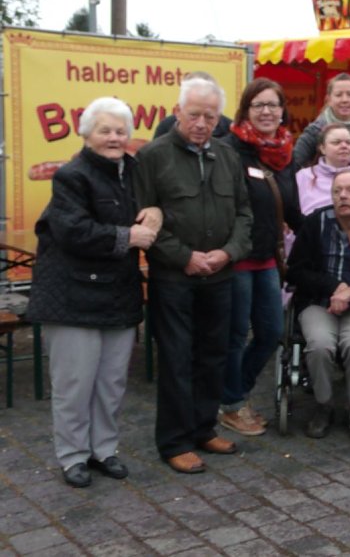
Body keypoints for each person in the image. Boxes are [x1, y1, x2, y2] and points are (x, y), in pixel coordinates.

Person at [27, 97, 162, 488]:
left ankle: (104, 450)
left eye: (120, 131)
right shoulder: (71, 176)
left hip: (117, 292)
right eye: (105, 130)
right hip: (72, 295)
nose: (114, 137)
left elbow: (155, 204)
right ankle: (73, 455)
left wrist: (156, 211)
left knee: (111, 383)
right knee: (74, 383)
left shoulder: (135, 171)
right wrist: (128, 236)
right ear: (87, 134)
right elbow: (72, 231)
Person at [134, 76, 252, 474]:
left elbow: (243, 213)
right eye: (194, 114)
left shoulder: (227, 156)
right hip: (174, 278)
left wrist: (228, 252)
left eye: (210, 116)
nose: (202, 123)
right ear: (177, 112)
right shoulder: (152, 157)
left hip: (219, 274)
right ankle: (174, 441)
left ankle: (203, 429)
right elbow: (143, 218)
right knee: (177, 358)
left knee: (213, 355)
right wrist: (183, 257)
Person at [218, 78, 303, 436]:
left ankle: (234, 392)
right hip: (236, 259)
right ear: (246, 110)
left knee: (270, 333)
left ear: (283, 110)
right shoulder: (229, 150)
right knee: (236, 335)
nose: (267, 111)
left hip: (268, 259)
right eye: (259, 105)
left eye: (273, 104)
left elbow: (292, 208)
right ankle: (232, 404)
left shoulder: (285, 154)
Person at [287, 170, 350, 441]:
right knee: (319, 344)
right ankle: (323, 405)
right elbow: (295, 271)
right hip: (318, 303)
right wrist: (333, 287)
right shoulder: (316, 223)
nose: (343, 196)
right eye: (337, 191)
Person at [296, 123, 350, 215]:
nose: (344, 146)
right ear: (322, 148)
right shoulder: (303, 177)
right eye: (336, 142)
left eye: (348, 142)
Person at [153, 71, 232, 140]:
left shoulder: (229, 130)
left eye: (209, 117)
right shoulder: (166, 126)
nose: (200, 124)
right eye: (194, 115)